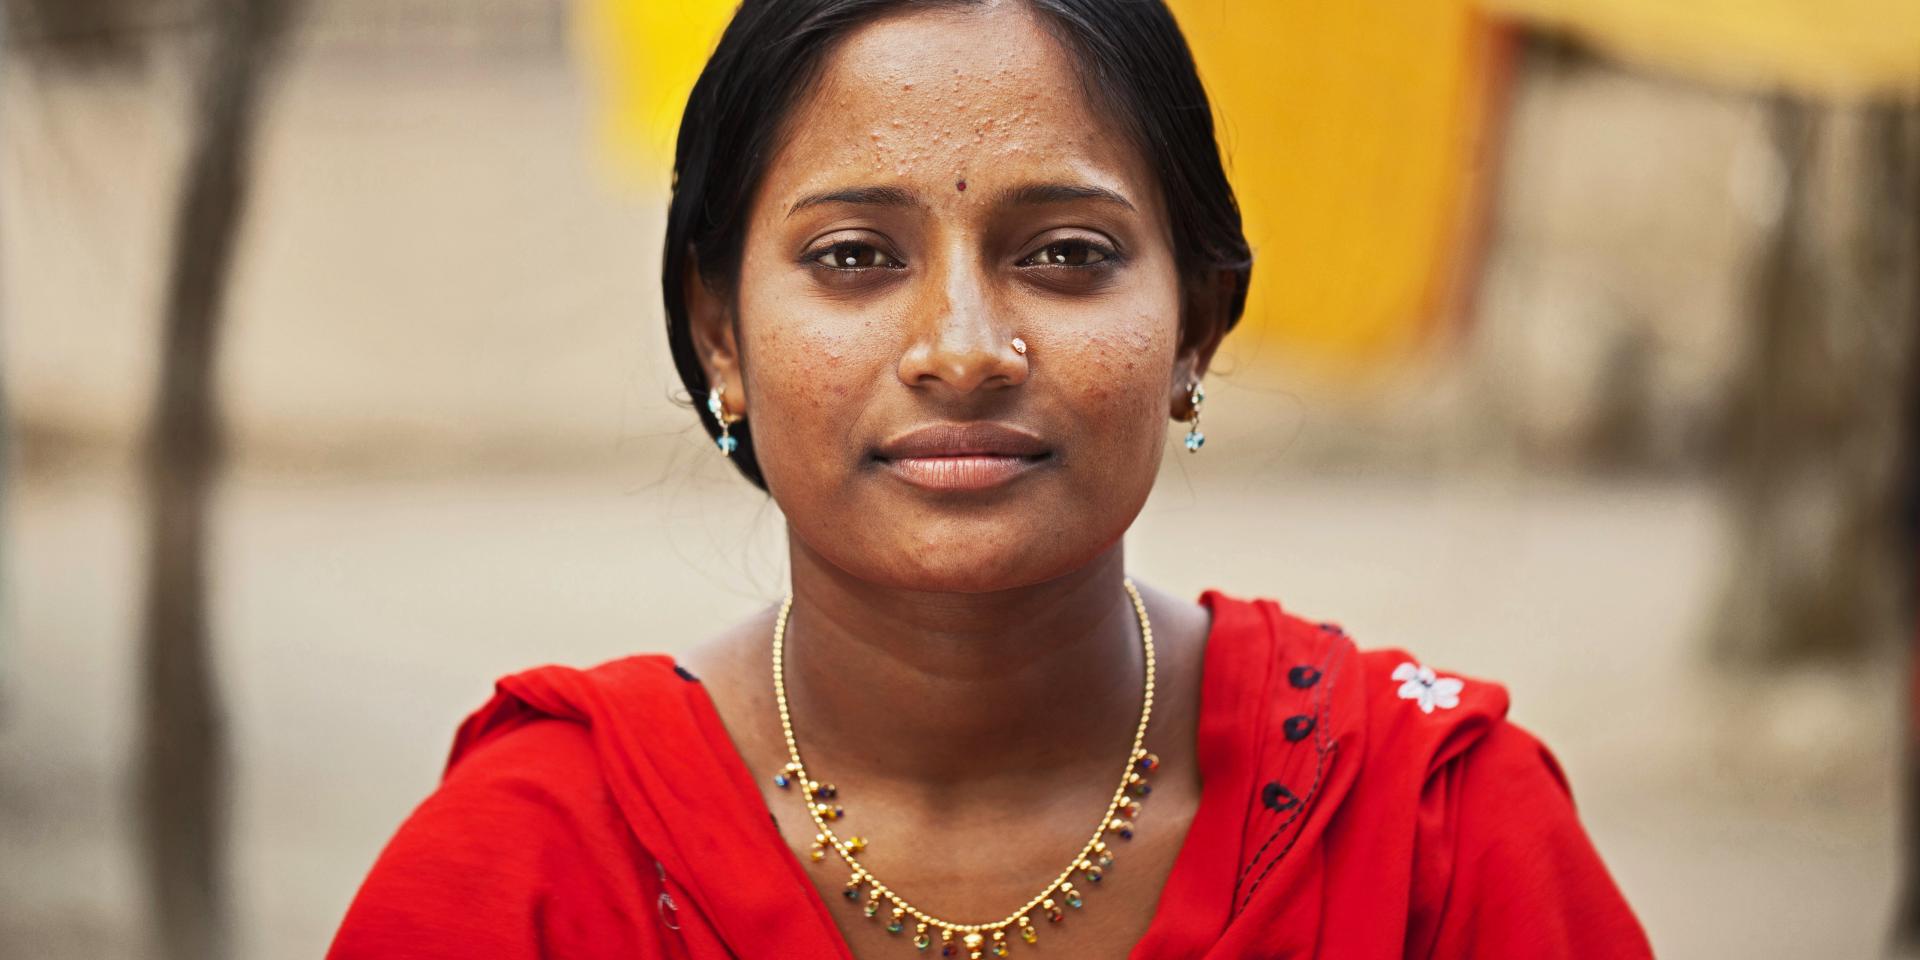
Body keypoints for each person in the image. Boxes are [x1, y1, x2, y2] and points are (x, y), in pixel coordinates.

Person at [328, 1, 1652, 957]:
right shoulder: (542, 867)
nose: (963, 349)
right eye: (854, 256)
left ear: (1196, 325)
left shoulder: (1429, 838)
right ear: (721, 331)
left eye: (1068, 253)